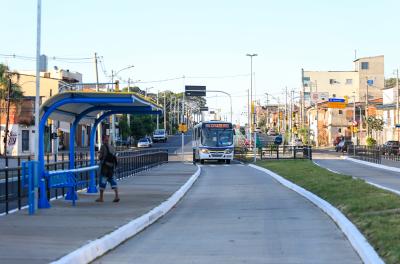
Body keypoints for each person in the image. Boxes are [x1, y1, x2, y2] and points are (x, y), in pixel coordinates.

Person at [96, 135, 120, 202]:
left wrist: (99, 155)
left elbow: (100, 157)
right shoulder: (112, 147)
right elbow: (115, 156)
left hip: (105, 167)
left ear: (103, 140)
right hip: (111, 167)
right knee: (112, 181)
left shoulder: (103, 147)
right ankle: (117, 196)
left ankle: (101, 198)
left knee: (102, 181)